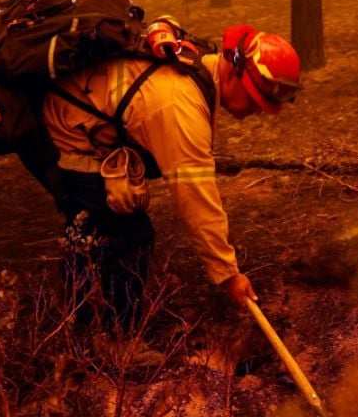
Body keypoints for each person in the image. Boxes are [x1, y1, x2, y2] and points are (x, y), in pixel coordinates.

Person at [40, 22, 302, 329]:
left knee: (104, 227)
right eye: (255, 101)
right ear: (232, 72)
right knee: (128, 235)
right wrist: (228, 274)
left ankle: (79, 316)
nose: (258, 111)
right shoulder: (181, 106)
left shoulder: (202, 63)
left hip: (83, 115)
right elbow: (196, 198)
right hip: (67, 132)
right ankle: (109, 339)